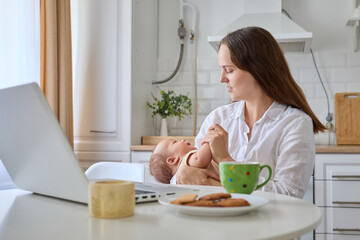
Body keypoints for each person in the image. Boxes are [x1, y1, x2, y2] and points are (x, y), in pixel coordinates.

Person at [171, 26, 327, 199]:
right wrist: (182, 170)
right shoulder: (218, 117)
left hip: (269, 224)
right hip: (215, 222)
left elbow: (289, 194)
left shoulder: (295, 123)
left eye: (229, 70)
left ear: (257, 69)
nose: (222, 78)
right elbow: (176, 179)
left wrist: (225, 160)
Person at [149, 139, 221, 185]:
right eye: (175, 142)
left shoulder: (176, 182)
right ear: (173, 160)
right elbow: (199, 159)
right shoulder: (185, 160)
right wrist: (209, 140)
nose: (182, 140)